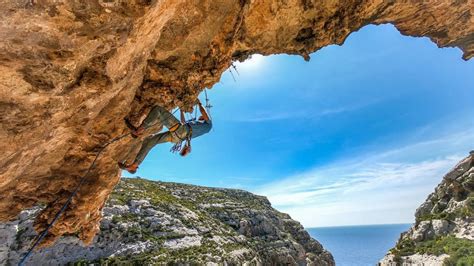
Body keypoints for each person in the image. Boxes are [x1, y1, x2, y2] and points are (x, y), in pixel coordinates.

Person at [118, 100, 212, 174]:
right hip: (178, 137)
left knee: (158, 110)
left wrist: (199, 103)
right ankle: (134, 165)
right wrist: (181, 110)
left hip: (181, 132)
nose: (200, 116)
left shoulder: (209, 125)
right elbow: (183, 122)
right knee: (150, 141)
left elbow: (204, 112)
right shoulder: (197, 125)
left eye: (202, 117)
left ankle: (139, 130)